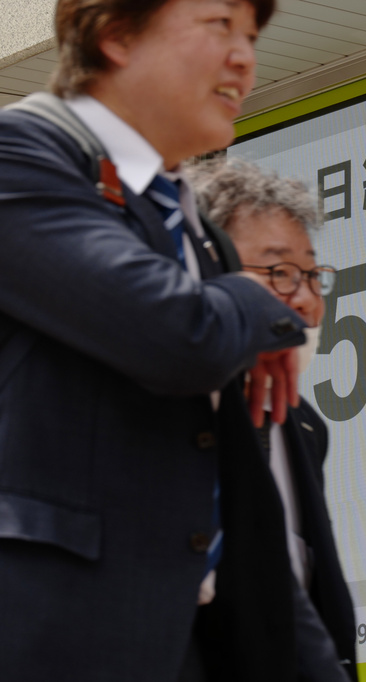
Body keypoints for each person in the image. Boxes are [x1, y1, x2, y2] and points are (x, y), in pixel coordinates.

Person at [0, 0, 319, 680]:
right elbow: (179, 337)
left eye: (252, 35)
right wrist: (252, 299)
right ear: (115, 33)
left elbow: (245, 517)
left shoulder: (198, 231)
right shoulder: (19, 154)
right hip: (50, 642)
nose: (244, 56)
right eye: (219, 25)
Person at [188, 158, 359, 682]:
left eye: (312, 275)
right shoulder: (168, 409)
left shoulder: (307, 428)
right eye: (279, 273)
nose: (305, 300)